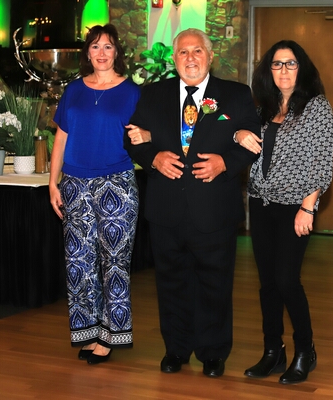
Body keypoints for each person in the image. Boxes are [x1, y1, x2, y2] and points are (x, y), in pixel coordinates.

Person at [124, 28, 260, 378]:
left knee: (215, 284)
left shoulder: (235, 94)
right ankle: (176, 349)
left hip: (214, 208)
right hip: (166, 208)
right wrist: (153, 158)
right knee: (171, 283)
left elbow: (252, 140)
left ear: (210, 56)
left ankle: (213, 353)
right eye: (183, 52)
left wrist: (224, 163)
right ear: (174, 59)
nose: (190, 58)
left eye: (197, 50)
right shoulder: (153, 94)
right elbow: (132, 138)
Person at [234, 40, 333, 384]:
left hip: (296, 206)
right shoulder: (263, 108)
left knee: (286, 280)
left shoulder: (317, 108)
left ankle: (305, 350)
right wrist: (238, 133)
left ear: (301, 68)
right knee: (267, 284)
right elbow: (235, 133)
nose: (283, 70)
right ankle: (272, 351)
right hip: (261, 204)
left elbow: (322, 162)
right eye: (276, 64)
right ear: (269, 70)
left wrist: (309, 206)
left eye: (290, 63)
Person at [48, 24, 140, 365]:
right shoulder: (73, 90)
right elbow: (61, 138)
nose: (102, 53)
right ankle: (88, 331)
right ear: (88, 52)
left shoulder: (133, 92)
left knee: (114, 263)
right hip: (74, 183)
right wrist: (53, 182)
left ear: (117, 53)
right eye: (96, 46)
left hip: (117, 184)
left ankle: (110, 336)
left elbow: (145, 134)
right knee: (79, 263)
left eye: (108, 46)